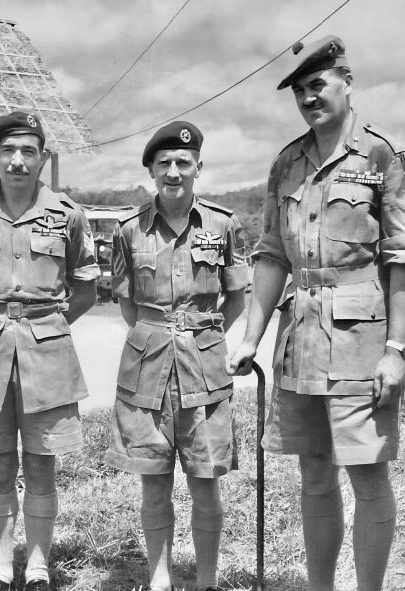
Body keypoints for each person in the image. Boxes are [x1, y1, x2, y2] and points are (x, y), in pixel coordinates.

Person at [227, 35, 405, 591]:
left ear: (346, 82)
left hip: (362, 343)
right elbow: (271, 256)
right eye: (300, 91)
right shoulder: (286, 163)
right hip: (301, 343)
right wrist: (249, 338)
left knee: (366, 476)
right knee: (314, 477)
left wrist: (396, 350)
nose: (310, 98)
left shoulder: (382, 158)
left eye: (319, 85)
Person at [0, 111, 99, 591]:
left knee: (41, 461)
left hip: (47, 353)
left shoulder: (68, 215)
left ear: (42, 157)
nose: (17, 161)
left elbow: (86, 290)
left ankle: (36, 566)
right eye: (8, 151)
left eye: (28, 151)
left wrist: (43, 328)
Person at [106, 121, 248, 591]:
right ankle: (160, 579)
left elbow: (236, 298)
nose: (173, 171)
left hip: (204, 369)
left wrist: (200, 336)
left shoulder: (223, 225)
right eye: (163, 163)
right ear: (151, 169)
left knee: (206, 481)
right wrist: (160, 335)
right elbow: (128, 303)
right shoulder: (128, 231)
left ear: (198, 168)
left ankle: (206, 581)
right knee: (153, 481)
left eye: (183, 163)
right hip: (146, 370)